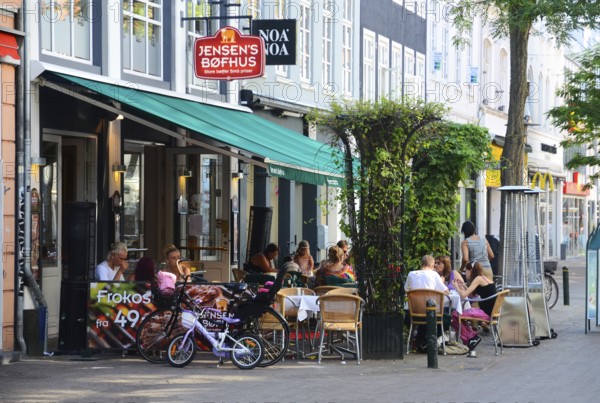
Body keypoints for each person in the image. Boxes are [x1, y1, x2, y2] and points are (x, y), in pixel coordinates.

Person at [404, 255, 449, 352]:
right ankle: (427, 342)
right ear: (432, 265)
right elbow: (446, 292)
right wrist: (441, 282)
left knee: (423, 318)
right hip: (431, 314)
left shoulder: (411, 274)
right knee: (447, 319)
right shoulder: (434, 275)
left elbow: (406, 290)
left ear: (421, 264)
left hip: (414, 313)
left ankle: (420, 341)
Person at [451, 261, 497, 351]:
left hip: (485, 313)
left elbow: (464, 296)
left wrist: (456, 287)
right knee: (458, 314)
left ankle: (471, 337)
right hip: (490, 312)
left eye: (466, 271)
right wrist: (463, 285)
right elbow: (471, 295)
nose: (465, 273)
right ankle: (471, 337)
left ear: (471, 270)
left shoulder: (478, 279)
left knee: (455, 315)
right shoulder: (484, 278)